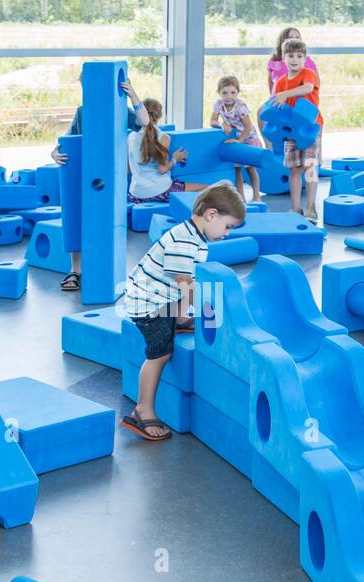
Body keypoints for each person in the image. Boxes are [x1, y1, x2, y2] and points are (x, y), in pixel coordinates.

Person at [119, 183, 247, 442]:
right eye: (228, 226)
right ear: (211, 215)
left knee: (186, 292)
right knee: (161, 353)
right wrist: (211, 313)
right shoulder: (183, 241)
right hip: (147, 303)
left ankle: (176, 318)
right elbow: (185, 284)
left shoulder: (195, 236)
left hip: (161, 296)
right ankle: (142, 410)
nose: (227, 233)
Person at [49, 77, 148, 293]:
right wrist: (55, 152)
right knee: (76, 217)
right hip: (84, 172)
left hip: (108, 176)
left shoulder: (120, 110)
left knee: (106, 221)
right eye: (86, 87)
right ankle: (76, 270)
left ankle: (106, 269)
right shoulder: (82, 111)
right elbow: (68, 140)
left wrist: (132, 94)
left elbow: (144, 121)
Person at [270, 37, 323, 221]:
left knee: (309, 166)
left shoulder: (308, 74)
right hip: (291, 131)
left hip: (311, 128)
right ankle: (295, 208)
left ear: (305, 58)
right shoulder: (280, 82)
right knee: (294, 169)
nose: (294, 59)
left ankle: (311, 207)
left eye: (299, 56)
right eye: (290, 55)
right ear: (283, 58)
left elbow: (307, 89)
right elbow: (276, 107)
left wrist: (284, 94)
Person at [127, 99, 209, 205]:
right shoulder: (163, 137)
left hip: (136, 194)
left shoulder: (130, 136)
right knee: (206, 188)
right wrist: (175, 159)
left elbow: (128, 170)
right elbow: (162, 169)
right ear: (160, 116)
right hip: (161, 191)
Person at [210, 75, 263, 202]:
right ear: (219, 93)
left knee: (251, 169)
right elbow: (212, 121)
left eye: (233, 92)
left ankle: (257, 196)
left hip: (248, 138)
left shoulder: (240, 106)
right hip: (234, 140)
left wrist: (239, 141)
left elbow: (248, 126)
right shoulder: (218, 104)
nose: (229, 96)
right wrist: (222, 124)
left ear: (238, 92)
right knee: (237, 169)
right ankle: (241, 198)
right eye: (225, 93)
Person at [266, 26, 319, 95]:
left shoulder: (308, 62)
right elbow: (271, 86)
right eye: (290, 37)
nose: (294, 40)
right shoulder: (274, 61)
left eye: (297, 37)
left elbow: (315, 84)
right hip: (280, 102)